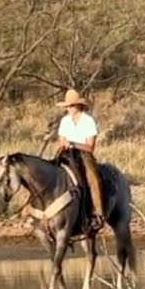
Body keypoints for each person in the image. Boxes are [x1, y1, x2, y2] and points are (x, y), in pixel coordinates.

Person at [55, 89, 105, 234]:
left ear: (79, 106)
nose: (69, 109)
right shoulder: (64, 121)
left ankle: (98, 212)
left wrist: (74, 144)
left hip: (83, 154)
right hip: (66, 154)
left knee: (93, 177)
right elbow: (61, 141)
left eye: (72, 106)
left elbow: (90, 147)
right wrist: (65, 145)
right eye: (68, 106)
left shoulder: (88, 121)